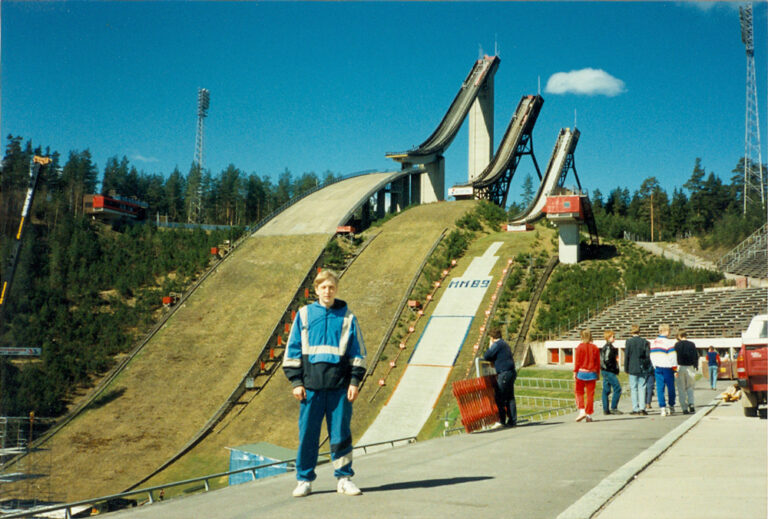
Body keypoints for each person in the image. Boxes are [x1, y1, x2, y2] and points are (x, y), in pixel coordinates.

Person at [283, 269, 366, 498]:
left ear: (336, 289)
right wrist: (296, 382)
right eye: (323, 287)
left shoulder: (348, 317)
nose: (327, 291)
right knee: (308, 435)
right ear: (316, 289)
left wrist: (354, 381)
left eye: (331, 287)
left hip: (340, 389)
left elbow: (357, 352)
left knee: (341, 435)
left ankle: (344, 478)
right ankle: (304, 480)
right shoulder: (304, 315)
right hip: (310, 389)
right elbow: (292, 350)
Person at [483, 327, 517, 428]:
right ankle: (512, 420)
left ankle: (501, 421)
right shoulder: (504, 344)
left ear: (492, 337)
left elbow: (487, 356)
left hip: (504, 373)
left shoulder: (497, 345)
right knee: (510, 397)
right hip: (511, 372)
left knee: (499, 397)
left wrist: (490, 345)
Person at [573, 329, 601, 422]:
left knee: (579, 392)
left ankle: (581, 410)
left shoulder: (580, 347)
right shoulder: (595, 348)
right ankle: (588, 414)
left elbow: (577, 362)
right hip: (592, 373)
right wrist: (598, 373)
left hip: (581, 373)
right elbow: (597, 362)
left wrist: (575, 372)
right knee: (590, 395)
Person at [650, 324, 677, 416]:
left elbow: (652, 356)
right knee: (670, 388)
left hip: (657, 367)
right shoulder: (668, 342)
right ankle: (671, 406)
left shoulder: (654, 342)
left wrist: (654, 366)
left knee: (660, 388)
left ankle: (662, 408)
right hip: (667, 367)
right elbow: (672, 356)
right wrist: (675, 368)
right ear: (665, 331)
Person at [624, 324, 650, 415]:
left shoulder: (628, 342)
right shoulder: (644, 342)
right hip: (642, 367)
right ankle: (642, 408)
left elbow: (626, 356)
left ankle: (635, 408)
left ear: (631, 332)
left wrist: (626, 367)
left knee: (633, 388)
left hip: (632, 367)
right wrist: (646, 366)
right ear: (639, 331)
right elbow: (647, 356)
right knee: (642, 387)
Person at [674, 331, 698, 414]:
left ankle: (684, 407)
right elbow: (695, 356)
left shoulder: (677, 345)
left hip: (680, 366)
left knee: (681, 388)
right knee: (690, 387)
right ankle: (691, 403)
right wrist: (696, 365)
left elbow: (674, 357)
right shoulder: (692, 344)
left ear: (680, 336)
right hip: (690, 366)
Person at [600, 330, 623, 415]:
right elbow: (607, 360)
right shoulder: (609, 347)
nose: (614, 338)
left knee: (606, 390)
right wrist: (613, 369)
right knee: (617, 388)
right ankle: (613, 407)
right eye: (613, 336)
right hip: (609, 371)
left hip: (605, 370)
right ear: (608, 337)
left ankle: (606, 409)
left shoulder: (606, 347)